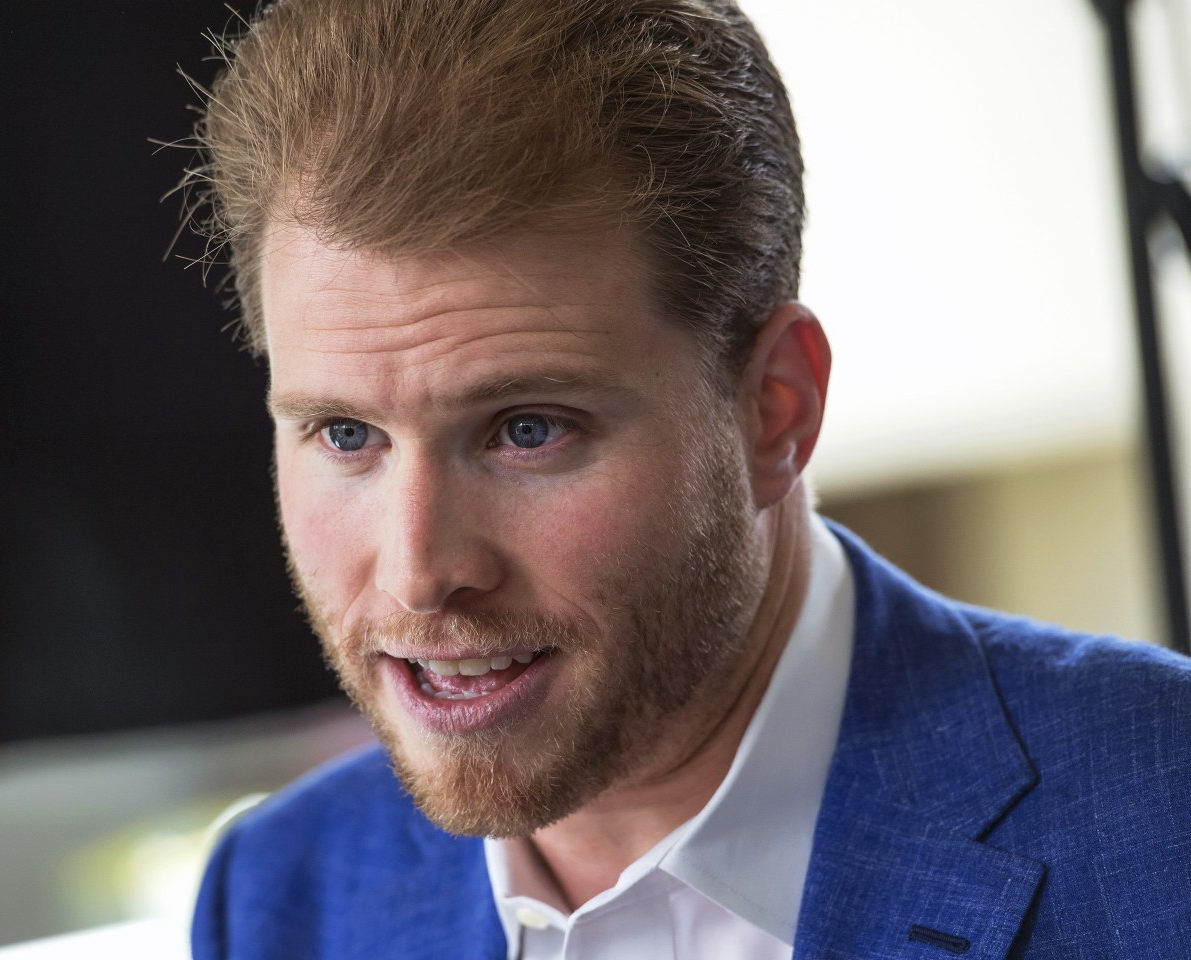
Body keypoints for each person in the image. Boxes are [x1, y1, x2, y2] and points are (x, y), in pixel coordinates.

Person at [183, 1, 1191, 956]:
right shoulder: (277, 898)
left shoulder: (1167, 822)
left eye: (527, 429)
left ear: (775, 409)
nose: (419, 571)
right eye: (345, 434)